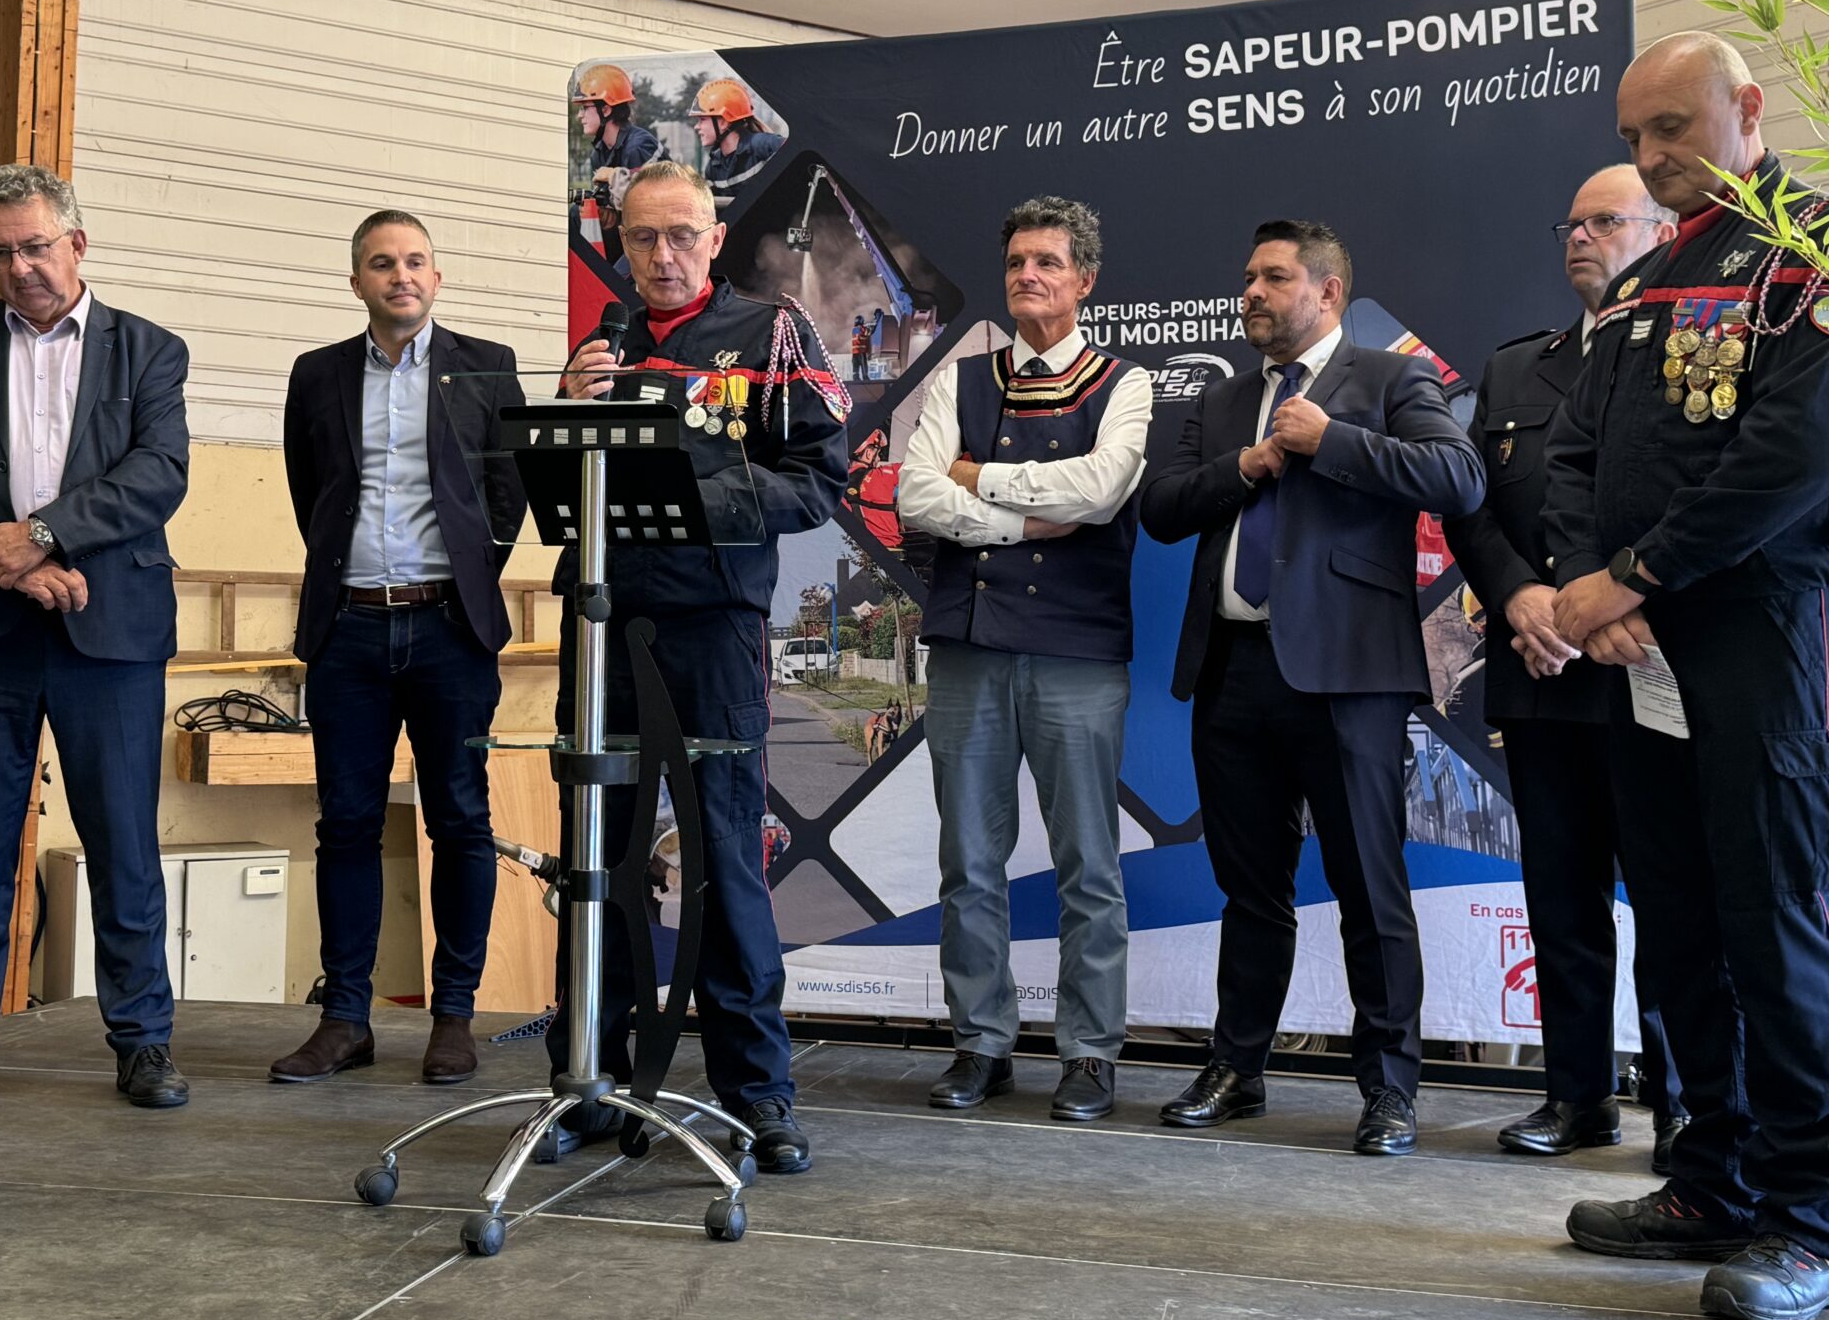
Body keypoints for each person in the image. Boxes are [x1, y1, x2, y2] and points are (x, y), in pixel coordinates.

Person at [1545, 32, 1829, 1320]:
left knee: (1772, 924)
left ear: (1746, 108)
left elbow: (1791, 455)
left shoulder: (1806, 253)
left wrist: (1636, 575)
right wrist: (1585, 586)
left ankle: (1806, 1215)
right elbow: (1572, 454)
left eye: (1672, 126)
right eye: (1633, 137)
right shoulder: (1645, 283)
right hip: (1639, 651)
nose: (1651, 156)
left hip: (1756, 636)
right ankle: (1708, 1180)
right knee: (1677, 922)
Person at [1142, 219, 1484, 1156]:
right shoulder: (1224, 402)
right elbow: (1161, 510)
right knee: (1249, 890)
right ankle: (1237, 1068)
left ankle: (1389, 1089)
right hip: (1232, 671)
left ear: (1328, 291)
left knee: (1370, 889)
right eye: (1247, 277)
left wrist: (1332, 440)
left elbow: (1458, 479)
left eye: (1273, 277)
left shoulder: (1389, 380)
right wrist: (1242, 466)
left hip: (1350, 680)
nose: (1250, 292)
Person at [553, 161, 846, 1173]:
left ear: (715, 239)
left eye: (682, 235)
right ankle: (585, 1080)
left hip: (713, 628)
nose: (663, 255)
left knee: (724, 858)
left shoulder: (772, 334)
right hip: (603, 622)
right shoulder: (601, 345)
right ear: (621, 246)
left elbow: (819, 481)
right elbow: (551, 482)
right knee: (595, 859)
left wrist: (696, 498)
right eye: (643, 238)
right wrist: (566, 412)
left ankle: (758, 1093)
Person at [0, 164, 191, 1117]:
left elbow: (158, 473)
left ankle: (143, 1042)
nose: (21, 267)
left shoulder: (149, 350)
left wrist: (44, 535)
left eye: (36, 246)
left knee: (123, 842)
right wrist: (18, 566)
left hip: (114, 628)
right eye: (2, 252)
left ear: (77, 244)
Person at [1443, 164, 1687, 1169]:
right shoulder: (1514, 372)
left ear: (1662, 233)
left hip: (1650, 667)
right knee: (1559, 899)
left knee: (1674, 901)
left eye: (1604, 221)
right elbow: (1470, 509)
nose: (1579, 237)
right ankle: (1576, 1097)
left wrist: (1613, 600)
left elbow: (1705, 505)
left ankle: (1685, 1108)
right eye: (1571, 225)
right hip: (1540, 670)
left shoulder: (1698, 354)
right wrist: (1517, 597)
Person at [900, 196, 1153, 1122]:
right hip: (968, 647)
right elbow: (916, 496)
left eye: (1047, 262)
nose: (1027, 276)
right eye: (1016, 262)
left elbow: (1098, 491)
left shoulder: (1125, 384)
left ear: (1085, 279)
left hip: (1078, 652)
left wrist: (978, 478)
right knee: (969, 860)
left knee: (1088, 863)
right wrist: (1022, 519)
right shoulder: (962, 380)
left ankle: (1090, 1053)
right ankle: (981, 1042)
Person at [270, 211, 526, 1087]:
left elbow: (507, 494)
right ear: (358, 283)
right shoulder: (317, 374)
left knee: (459, 820)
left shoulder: (487, 367)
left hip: (451, 630)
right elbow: (311, 492)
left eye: (416, 261)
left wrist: (467, 577)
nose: (401, 275)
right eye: (383, 264)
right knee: (345, 824)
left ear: (437, 278)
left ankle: (454, 1016)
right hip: (347, 630)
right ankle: (345, 1019)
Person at [574, 63, 664, 207]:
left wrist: (614, 176)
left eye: (584, 108)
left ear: (605, 110)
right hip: (630, 218)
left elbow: (651, 203)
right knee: (578, 211)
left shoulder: (638, 147)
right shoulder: (599, 153)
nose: (579, 115)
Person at [689, 77, 782, 190]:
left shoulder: (767, 146)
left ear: (724, 122)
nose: (696, 126)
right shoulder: (713, 168)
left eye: (702, 119)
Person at [851, 313, 873, 381]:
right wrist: (869, 328)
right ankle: (865, 377)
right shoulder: (861, 329)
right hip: (861, 352)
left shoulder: (854, 329)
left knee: (855, 366)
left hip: (854, 353)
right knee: (863, 365)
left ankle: (856, 378)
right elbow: (867, 333)